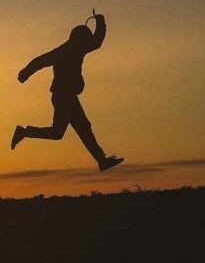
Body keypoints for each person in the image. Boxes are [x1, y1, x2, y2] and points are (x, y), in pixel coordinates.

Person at [10, 10, 124, 171]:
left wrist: (25, 73)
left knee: (57, 133)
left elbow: (40, 60)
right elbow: (96, 42)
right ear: (80, 38)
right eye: (86, 38)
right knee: (84, 128)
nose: (88, 42)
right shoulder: (72, 49)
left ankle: (24, 132)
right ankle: (101, 160)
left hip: (62, 97)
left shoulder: (65, 49)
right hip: (65, 97)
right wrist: (101, 22)